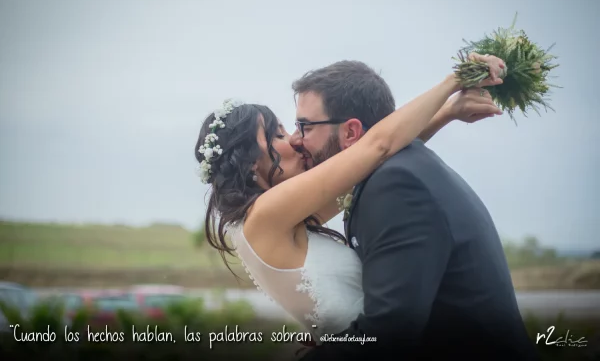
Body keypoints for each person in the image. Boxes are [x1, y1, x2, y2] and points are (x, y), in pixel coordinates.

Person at [194, 54, 521, 360]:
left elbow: (364, 158)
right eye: (278, 134)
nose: (294, 140)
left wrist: (447, 113)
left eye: (298, 128)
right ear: (252, 163)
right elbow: (376, 146)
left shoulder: (271, 220)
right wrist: (453, 81)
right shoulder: (267, 215)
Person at [289, 58, 539, 360]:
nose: (295, 138)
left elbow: (388, 333)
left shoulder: (396, 186)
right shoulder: (398, 168)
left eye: (304, 126)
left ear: (351, 132)